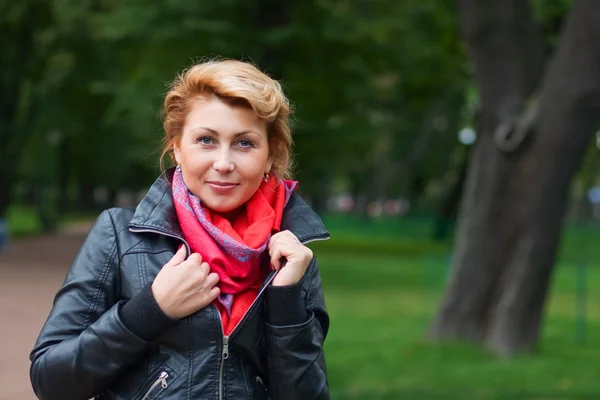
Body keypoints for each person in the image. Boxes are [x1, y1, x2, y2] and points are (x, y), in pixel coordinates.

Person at [29, 59, 331, 400]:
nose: (224, 163)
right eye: (206, 140)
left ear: (270, 155)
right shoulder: (120, 234)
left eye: (245, 143)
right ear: (176, 147)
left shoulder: (292, 254)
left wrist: (286, 301)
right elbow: (51, 381)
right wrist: (150, 311)